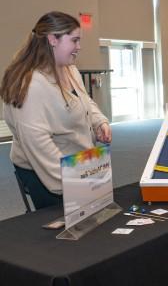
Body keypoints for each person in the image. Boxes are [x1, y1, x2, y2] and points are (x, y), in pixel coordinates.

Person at [0, 11, 111, 210]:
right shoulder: (30, 84)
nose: (79, 47)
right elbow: (38, 143)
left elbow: (85, 102)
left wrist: (99, 121)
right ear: (53, 39)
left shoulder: (69, 69)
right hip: (47, 173)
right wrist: (72, 182)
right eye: (74, 40)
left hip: (78, 166)